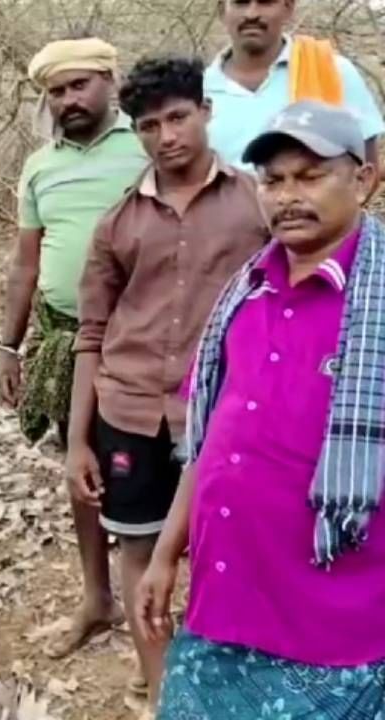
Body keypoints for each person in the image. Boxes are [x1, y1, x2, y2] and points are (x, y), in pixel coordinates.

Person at [138, 101, 385, 718]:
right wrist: (166, 554)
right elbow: (211, 443)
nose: (288, 196)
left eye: (310, 175)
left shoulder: (375, 305)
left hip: (338, 628)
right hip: (221, 607)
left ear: (364, 178)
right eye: (274, 180)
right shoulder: (246, 292)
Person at [67, 55, 270, 704]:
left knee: (231, 551)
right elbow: (92, 334)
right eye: (150, 126)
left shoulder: (257, 207)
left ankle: (225, 682)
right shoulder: (118, 223)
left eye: (178, 118)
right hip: (128, 412)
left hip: (227, 414)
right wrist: (77, 442)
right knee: (139, 550)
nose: (168, 136)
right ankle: (163, 691)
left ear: (206, 112)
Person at [0, 37, 148, 659]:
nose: (69, 100)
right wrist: (8, 345)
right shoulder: (39, 167)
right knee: (78, 461)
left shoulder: (146, 146)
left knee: (149, 470)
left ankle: (156, 609)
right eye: (56, 92)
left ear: (110, 83)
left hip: (140, 335)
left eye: (80, 85)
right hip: (65, 337)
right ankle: (96, 597)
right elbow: (25, 264)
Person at [205, 0, 384, 172]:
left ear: (288, 7)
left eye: (266, 2)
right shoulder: (198, 91)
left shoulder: (332, 71)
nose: (252, 14)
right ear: (222, 10)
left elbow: (368, 169)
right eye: (241, 2)